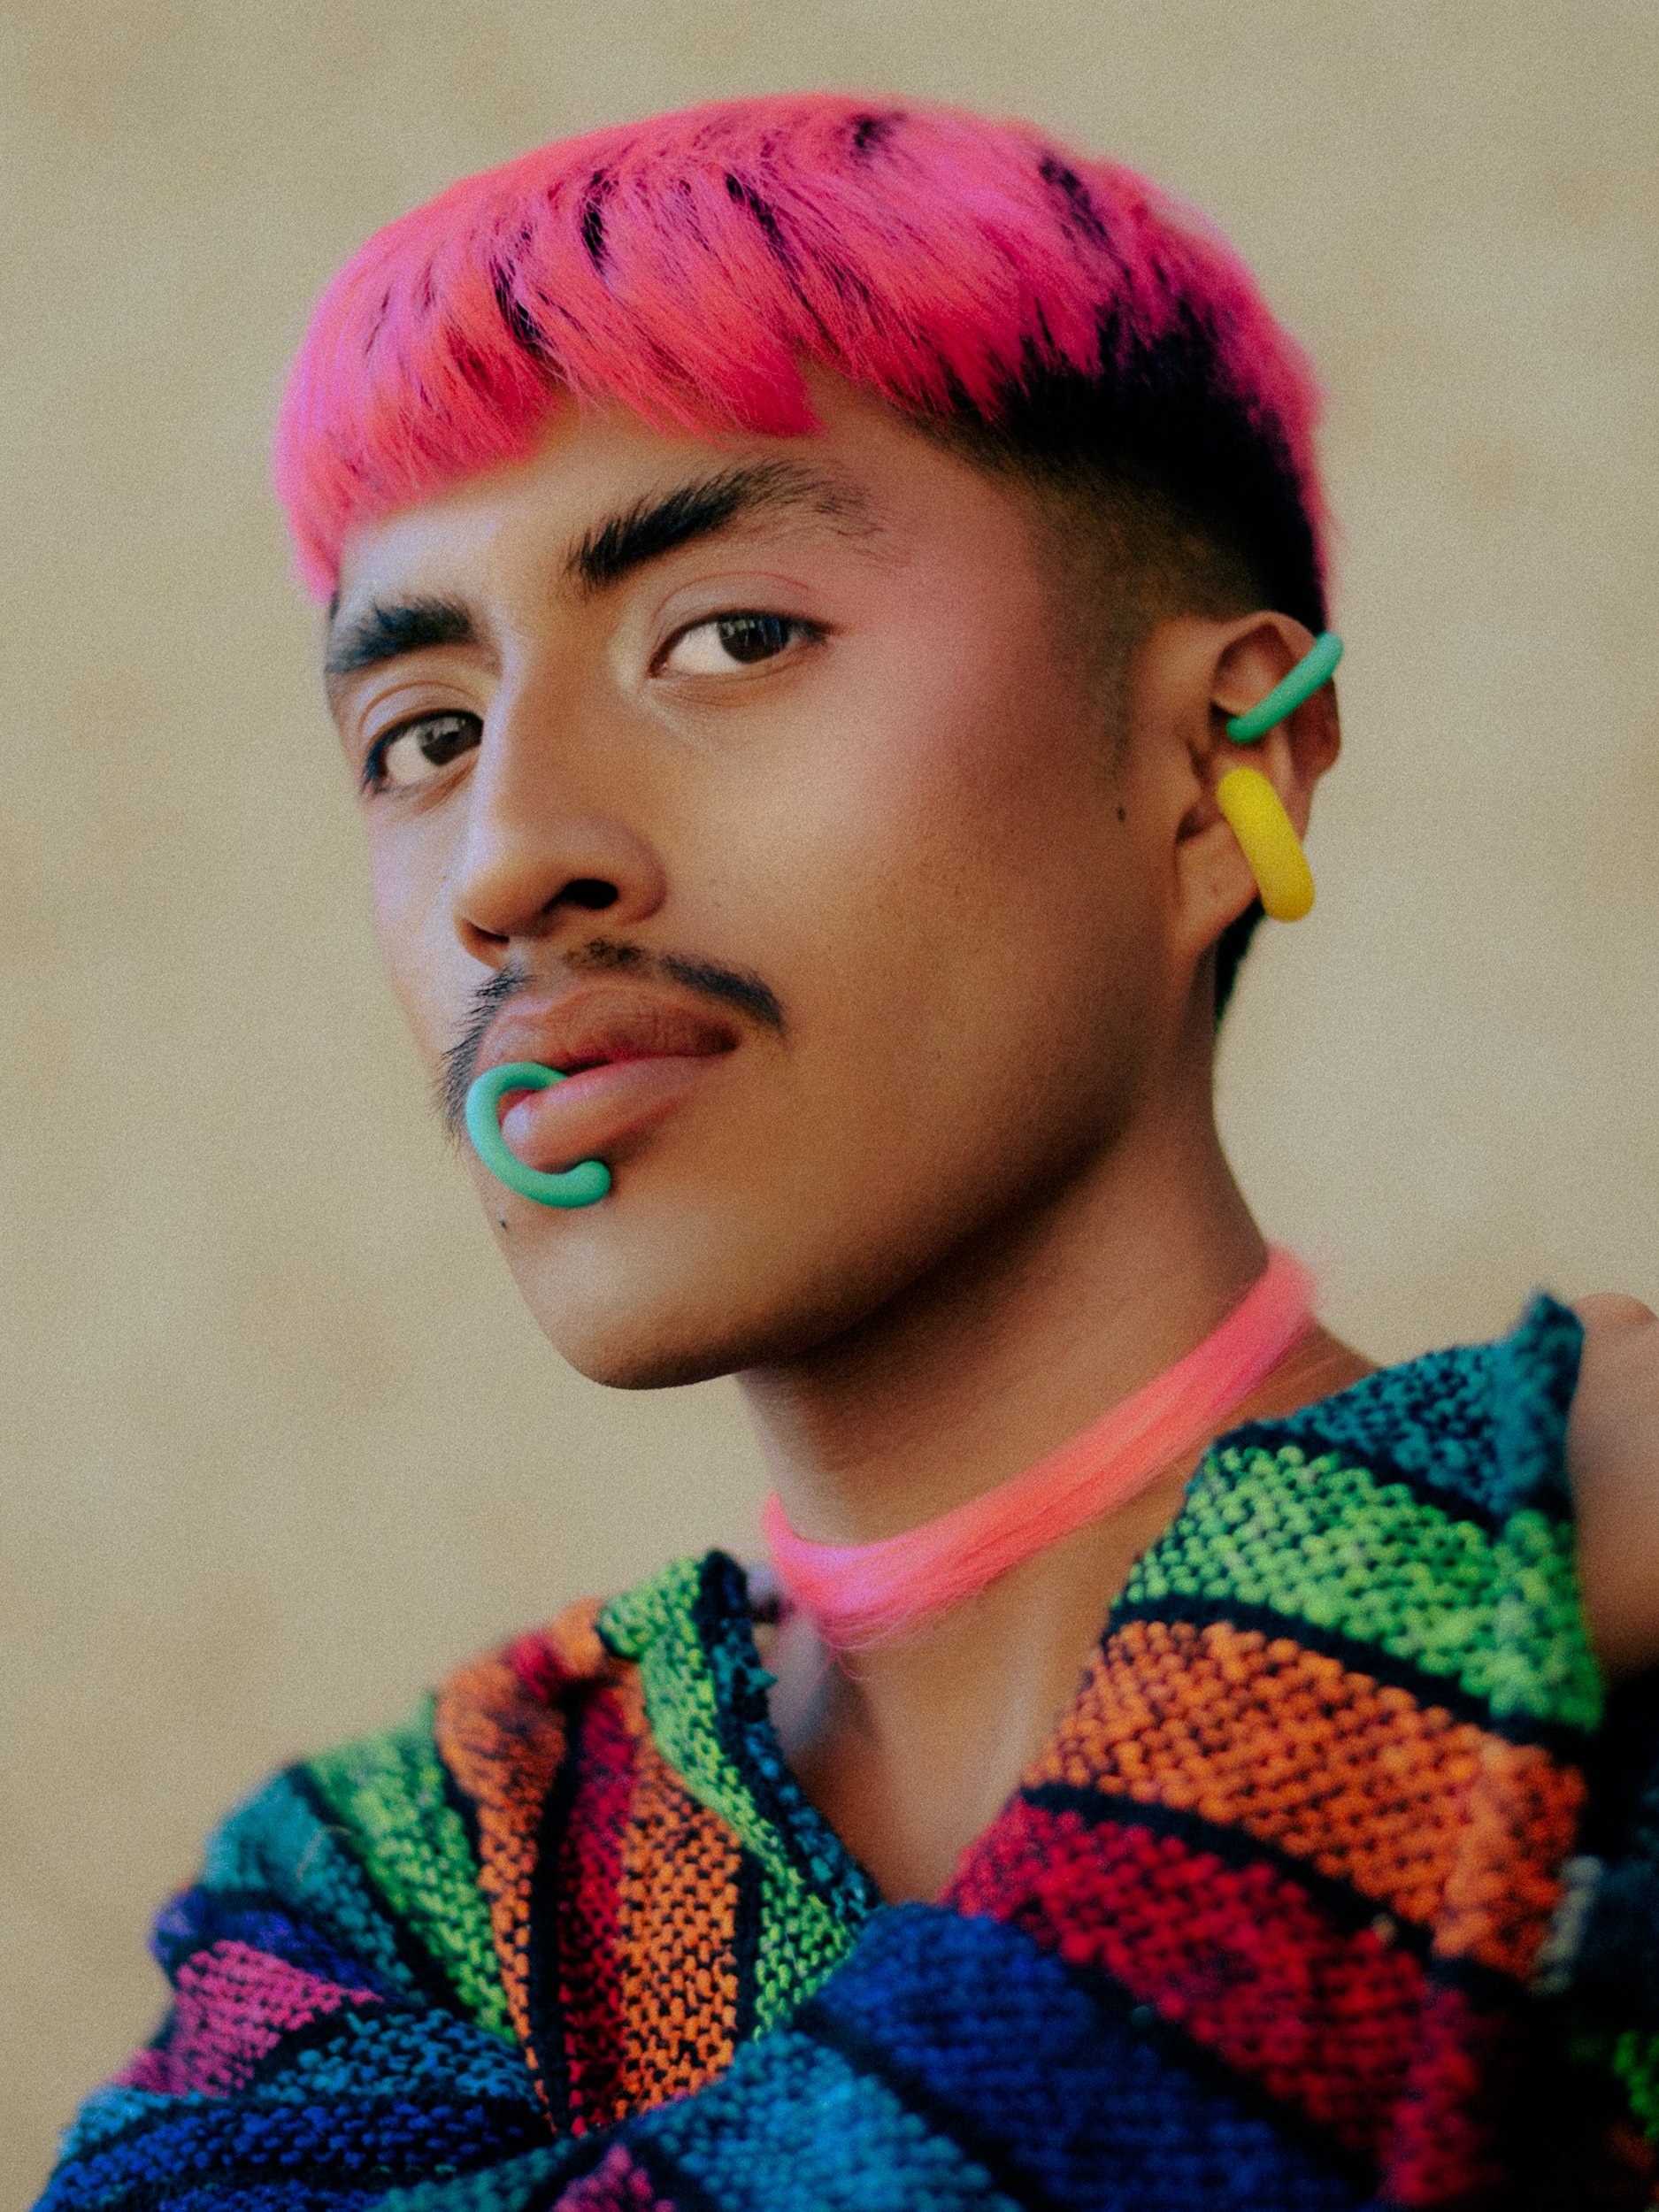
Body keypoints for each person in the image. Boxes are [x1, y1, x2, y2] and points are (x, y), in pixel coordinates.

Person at [38, 92, 1659, 2211]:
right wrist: (1398, 1598)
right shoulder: (405, 1879)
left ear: (1213, 767)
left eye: (729, 634)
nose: (508, 858)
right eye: (420, 735)